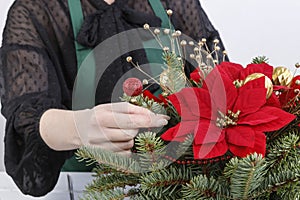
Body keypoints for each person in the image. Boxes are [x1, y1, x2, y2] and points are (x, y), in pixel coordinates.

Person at [0, 0, 227, 197]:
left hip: (179, 187)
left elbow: (221, 90)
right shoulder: (35, 9)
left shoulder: (176, 3)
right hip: (83, 191)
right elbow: (26, 118)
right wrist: (78, 128)